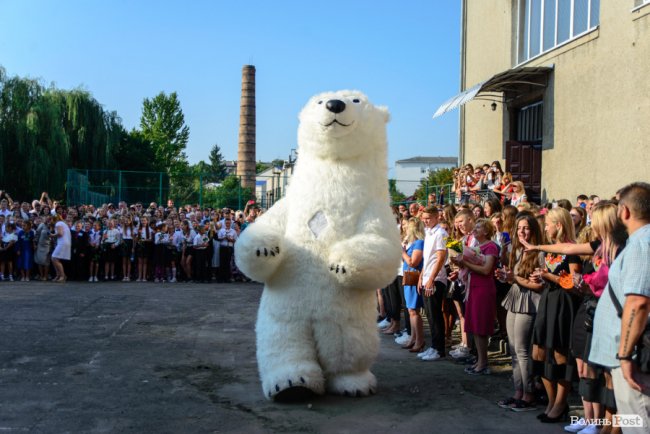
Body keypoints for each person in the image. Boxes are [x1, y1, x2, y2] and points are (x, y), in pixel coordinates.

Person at [589, 182, 650, 432]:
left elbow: (639, 302)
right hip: (630, 353)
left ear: (624, 211)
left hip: (633, 357)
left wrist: (625, 356)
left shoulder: (641, 245)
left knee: (639, 423)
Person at [530, 207, 582, 423]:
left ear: (558, 225)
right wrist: (541, 278)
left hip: (564, 305)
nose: (546, 227)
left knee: (560, 355)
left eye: (548, 224)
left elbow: (574, 283)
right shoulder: (551, 250)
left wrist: (549, 277)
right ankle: (552, 401)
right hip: (548, 302)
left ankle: (560, 404)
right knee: (539, 353)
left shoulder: (572, 250)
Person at [498, 213, 545, 411]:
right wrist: (506, 277)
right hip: (515, 299)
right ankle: (518, 391)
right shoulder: (518, 251)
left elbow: (539, 286)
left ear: (534, 229)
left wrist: (514, 278)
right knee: (513, 349)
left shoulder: (540, 252)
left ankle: (529, 394)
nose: (522, 232)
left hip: (530, 302)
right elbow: (516, 278)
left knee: (522, 350)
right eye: (519, 228)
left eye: (526, 228)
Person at [452, 218, 499, 375]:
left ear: (486, 231)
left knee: (481, 327)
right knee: (475, 327)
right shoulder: (477, 246)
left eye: (479, 227)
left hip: (483, 289)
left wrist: (465, 263)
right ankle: (480, 360)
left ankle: (483, 363)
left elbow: (486, 270)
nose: (475, 229)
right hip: (473, 287)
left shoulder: (491, 246)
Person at [417, 206, 449, 361]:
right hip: (427, 277)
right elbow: (427, 258)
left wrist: (431, 279)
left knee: (435, 315)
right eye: (424, 218)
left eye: (428, 218)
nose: (425, 220)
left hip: (436, 279)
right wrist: (422, 277)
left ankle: (439, 349)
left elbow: (440, 258)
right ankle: (434, 346)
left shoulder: (441, 233)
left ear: (437, 217)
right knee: (429, 315)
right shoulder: (428, 233)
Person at [399, 217, 425, 353]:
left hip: (414, 278)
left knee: (414, 311)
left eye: (408, 227)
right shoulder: (413, 243)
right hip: (409, 278)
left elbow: (413, 262)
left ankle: (419, 340)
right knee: (410, 310)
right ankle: (413, 338)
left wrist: (403, 252)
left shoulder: (419, 243)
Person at [51, 215, 71, 282]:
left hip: (63, 243)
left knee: (55, 258)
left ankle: (62, 276)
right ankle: (58, 275)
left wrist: (52, 235)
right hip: (64, 242)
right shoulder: (62, 223)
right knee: (54, 258)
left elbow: (60, 233)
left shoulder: (58, 223)